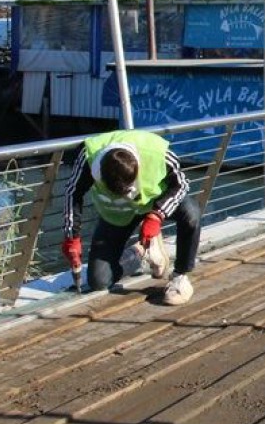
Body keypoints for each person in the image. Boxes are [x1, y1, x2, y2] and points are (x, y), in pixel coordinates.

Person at [62, 129, 200, 305]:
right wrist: (71, 237)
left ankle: (180, 275)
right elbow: (72, 193)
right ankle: (142, 252)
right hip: (117, 213)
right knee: (99, 281)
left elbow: (181, 185)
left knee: (191, 213)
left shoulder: (158, 153)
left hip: (153, 203)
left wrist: (157, 214)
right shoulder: (88, 156)